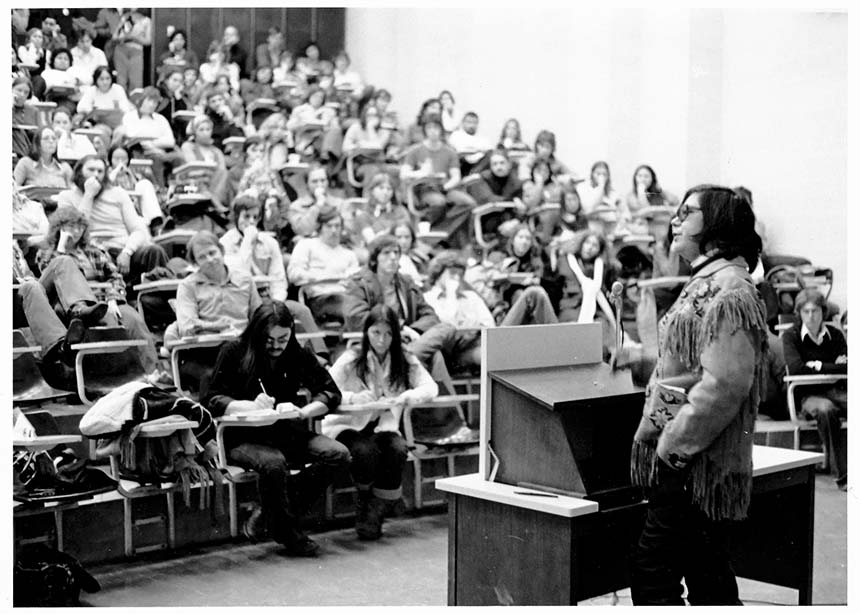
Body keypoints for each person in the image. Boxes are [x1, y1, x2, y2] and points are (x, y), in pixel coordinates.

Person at [626, 185, 768, 605]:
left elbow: (723, 386)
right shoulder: (707, 282)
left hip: (696, 464)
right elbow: (685, 372)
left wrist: (671, 445)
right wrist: (640, 365)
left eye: (686, 213)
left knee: (655, 573)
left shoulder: (730, 289)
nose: (675, 219)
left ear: (716, 228)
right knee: (708, 576)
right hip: (691, 459)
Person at [202, 301, 350, 556]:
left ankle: (270, 512)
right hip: (242, 436)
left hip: (285, 431)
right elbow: (212, 400)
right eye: (269, 339)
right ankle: (288, 533)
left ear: (291, 332)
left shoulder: (296, 353)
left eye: (283, 338)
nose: (276, 346)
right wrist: (246, 406)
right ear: (257, 333)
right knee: (273, 464)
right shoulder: (234, 351)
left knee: (338, 454)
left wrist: (306, 410)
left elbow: (330, 391)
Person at [323, 304, 438, 540]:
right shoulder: (353, 357)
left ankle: (377, 506)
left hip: (383, 424)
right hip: (349, 424)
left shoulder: (404, 358)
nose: (382, 340)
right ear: (366, 332)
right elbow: (325, 388)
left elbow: (430, 387)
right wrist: (353, 397)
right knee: (364, 452)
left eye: (388, 334)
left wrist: (407, 396)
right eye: (376, 332)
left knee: (397, 448)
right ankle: (375, 500)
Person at [37, 205, 159, 374]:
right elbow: (49, 275)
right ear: (60, 227)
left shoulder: (93, 251)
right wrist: (62, 246)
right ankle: (114, 375)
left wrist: (113, 298)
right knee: (105, 322)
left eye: (80, 226)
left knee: (133, 319)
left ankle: (152, 373)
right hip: (69, 306)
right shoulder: (46, 253)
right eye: (71, 226)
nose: (77, 231)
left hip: (104, 300)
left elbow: (115, 277)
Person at [55, 155, 167, 288]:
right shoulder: (66, 197)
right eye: (91, 170)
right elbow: (74, 233)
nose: (96, 175)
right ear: (79, 172)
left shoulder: (118, 194)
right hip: (93, 253)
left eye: (100, 171)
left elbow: (138, 230)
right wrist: (88, 195)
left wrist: (127, 252)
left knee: (154, 251)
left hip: (123, 250)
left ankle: (154, 299)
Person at [782, 289, 847, 491]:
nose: (811, 316)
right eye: (806, 311)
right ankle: (844, 476)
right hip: (807, 395)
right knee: (827, 410)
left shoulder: (835, 334)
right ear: (799, 313)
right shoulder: (791, 336)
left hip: (836, 390)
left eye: (816, 311)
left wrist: (816, 365)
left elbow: (848, 367)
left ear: (823, 312)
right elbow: (796, 369)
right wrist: (832, 365)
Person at [400, 114, 477, 248]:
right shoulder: (415, 151)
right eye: (429, 128)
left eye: (436, 128)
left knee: (469, 203)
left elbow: (456, 176)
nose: (433, 131)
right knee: (438, 202)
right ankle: (435, 232)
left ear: (441, 130)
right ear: (424, 130)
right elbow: (404, 173)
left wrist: (446, 187)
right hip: (425, 188)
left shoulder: (449, 152)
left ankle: (439, 232)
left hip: (445, 187)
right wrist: (420, 173)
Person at [287, 206, 361, 326]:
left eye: (337, 226)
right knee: (353, 307)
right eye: (329, 226)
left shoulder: (349, 254)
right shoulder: (306, 245)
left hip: (344, 296)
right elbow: (294, 273)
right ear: (320, 227)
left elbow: (355, 280)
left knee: (361, 305)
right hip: (319, 298)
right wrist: (316, 276)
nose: (333, 230)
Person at [112, 8, 151, 92]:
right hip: (121, 49)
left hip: (136, 51)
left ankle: (134, 103)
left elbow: (148, 41)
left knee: (136, 81)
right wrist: (123, 37)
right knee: (121, 81)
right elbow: (114, 37)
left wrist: (134, 37)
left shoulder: (146, 21)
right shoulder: (125, 18)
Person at [447, 111, 492, 176]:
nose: (472, 125)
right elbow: (460, 151)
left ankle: (473, 174)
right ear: (463, 123)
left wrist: (472, 150)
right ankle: (472, 175)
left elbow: (489, 150)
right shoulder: (456, 135)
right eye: (469, 122)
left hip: (479, 163)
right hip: (462, 162)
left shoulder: (483, 138)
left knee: (492, 154)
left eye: (475, 123)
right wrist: (477, 150)